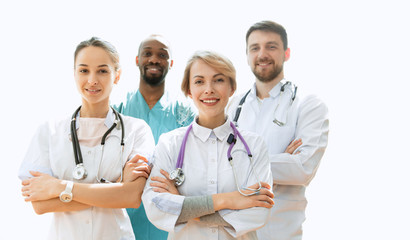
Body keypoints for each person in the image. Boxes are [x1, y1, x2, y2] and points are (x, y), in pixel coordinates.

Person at [18, 37, 155, 240]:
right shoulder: (49, 131)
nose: (92, 80)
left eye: (102, 70)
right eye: (84, 70)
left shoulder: (137, 130)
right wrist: (114, 188)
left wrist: (59, 187)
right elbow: (40, 205)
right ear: (74, 74)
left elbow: (132, 197)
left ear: (117, 75)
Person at [143, 50, 275, 239]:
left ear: (232, 88)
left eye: (218, 80)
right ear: (189, 90)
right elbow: (157, 207)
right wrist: (230, 200)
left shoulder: (254, 145)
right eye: (199, 81)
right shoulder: (169, 143)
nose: (209, 89)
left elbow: (258, 212)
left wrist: (183, 204)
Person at [226, 20, 329, 240]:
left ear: (287, 53)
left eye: (271, 46)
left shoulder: (308, 105)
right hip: (233, 232)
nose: (262, 54)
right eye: (255, 48)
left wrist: (237, 161)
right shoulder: (233, 106)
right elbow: (214, 166)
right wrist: (280, 160)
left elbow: (302, 169)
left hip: (280, 233)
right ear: (247, 55)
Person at [112, 34, 195, 239]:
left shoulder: (185, 114)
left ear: (171, 63)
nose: (154, 59)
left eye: (162, 55)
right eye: (147, 53)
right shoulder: (117, 111)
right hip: (124, 218)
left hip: (168, 217)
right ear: (137, 59)